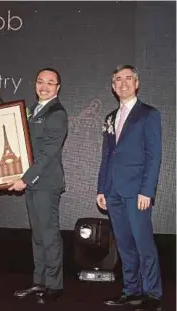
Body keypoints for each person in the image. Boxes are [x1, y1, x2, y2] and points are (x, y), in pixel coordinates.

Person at [97, 65, 163, 311]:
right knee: (124, 245)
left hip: (137, 192)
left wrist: (147, 190)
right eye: (118, 79)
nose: (123, 83)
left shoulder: (149, 114)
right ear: (113, 86)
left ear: (137, 83)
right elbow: (107, 156)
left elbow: (153, 156)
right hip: (113, 191)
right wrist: (101, 189)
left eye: (128, 78)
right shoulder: (110, 118)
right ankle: (131, 291)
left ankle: (153, 295)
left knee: (143, 244)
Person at [8, 68, 68, 304]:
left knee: (49, 234)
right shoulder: (32, 109)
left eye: (50, 83)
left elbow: (48, 153)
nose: (44, 86)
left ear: (58, 88)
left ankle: (54, 286)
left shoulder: (57, 113)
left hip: (45, 183)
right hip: (33, 182)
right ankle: (39, 281)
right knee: (38, 235)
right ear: (35, 84)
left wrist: (25, 178)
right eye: (41, 82)